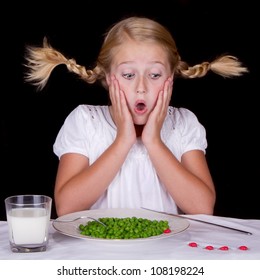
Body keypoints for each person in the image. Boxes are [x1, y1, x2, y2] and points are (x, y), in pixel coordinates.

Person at [24, 16, 248, 217]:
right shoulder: (85, 120)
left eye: (154, 75)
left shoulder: (183, 123)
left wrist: (154, 141)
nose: (141, 87)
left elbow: (203, 208)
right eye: (129, 75)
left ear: (170, 78)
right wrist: (123, 140)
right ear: (109, 77)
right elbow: (66, 208)